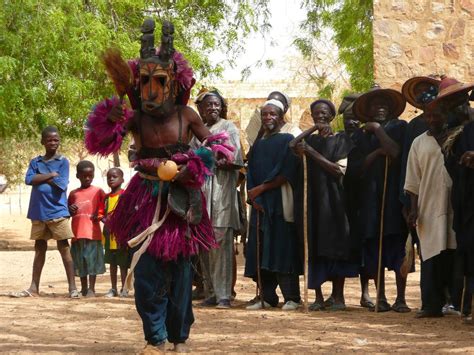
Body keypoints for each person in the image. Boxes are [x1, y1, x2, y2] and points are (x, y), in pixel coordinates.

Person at [84, 19, 232, 353]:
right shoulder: (136, 117)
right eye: (146, 80)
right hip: (144, 200)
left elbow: (217, 147)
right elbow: (102, 139)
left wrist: (194, 166)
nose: (151, 89)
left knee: (180, 273)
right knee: (148, 271)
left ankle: (179, 337)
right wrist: (118, 105)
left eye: (160, 81)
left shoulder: (187, 115)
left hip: (182, 202)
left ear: (173, 83)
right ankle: (155, 338)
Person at [290, 99, 360, 311]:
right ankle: (318, 297)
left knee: (336, 245)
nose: (320, 116)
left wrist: (311, 153)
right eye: (316, 114)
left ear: (331, 116)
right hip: (311, 201)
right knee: (313, 245)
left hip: (334, 202)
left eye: (324, 113)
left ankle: (338, 297)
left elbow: (337, 170)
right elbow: (291, 145)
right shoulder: (308, 140)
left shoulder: (341, 140)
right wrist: (312, 130)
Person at [352, 87, 410, 313]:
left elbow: (395, 153)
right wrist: (376, 152)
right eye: (375, 105)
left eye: (384, 104)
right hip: (370, 200)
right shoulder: (360, 135)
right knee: (375, 249)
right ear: (368, 110)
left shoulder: (400, 127)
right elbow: (356, 169)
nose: (380, 108)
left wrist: (378, 130)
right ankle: (381, 297)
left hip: (394, 198)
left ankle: (401, 298)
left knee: (398, 248)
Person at [244, 99, 302, 311]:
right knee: (261, 249)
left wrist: (261, 190)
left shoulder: (287, 140)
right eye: (265, 114)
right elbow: (251, 173)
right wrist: (254, 197)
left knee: (281, 248)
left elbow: (285, 173)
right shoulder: (258, 143)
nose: (268, 118)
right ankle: (267, 297)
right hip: (260, 205)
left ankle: (292, 297)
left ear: (281, 116)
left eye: (272, 114)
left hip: (279, 202)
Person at [10, 126, 79, 298]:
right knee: (39, 248)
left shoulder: (63, 162)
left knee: (64, 247)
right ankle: (34, 288)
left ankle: (72, 288)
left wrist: (39, 177)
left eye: (56, 140)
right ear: (43, 142)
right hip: (38, 211)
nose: (53, 142)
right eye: (50, 140)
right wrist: (50, 175)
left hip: (57, 211)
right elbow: (28, 180)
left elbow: (61, 184)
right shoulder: (35, 161)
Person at [404, 102, 458, 318]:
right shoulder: (419, 142)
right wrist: (413, 210)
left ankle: (455, 303)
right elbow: (413, 180)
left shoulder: (457, 137)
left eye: (437, 115)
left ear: (446, 115)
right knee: (430, 256)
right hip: (428, 207)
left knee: (453, 255)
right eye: (429, 116)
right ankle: (431, 305)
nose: (433, 119)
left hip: (455, 207)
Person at [191, 90, 243, 309]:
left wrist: (219, 159)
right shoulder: (195, 133)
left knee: (220, 243)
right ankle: (210, 292)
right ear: (200, 108)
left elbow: (235, 159)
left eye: (216, 105)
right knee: (203, 243)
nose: (212, 108)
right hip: (201, 193)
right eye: (208, 105)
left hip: (221, 193)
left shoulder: (228, 127)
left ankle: (224, 295)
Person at [338, 93, 375, 309]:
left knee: (364, 245)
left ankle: (366, 292)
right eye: (346, 118)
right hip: (342, 199)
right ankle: (339, 295)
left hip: (364, 197)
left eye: (354, 118)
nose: (350, 122)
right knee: (343, 246)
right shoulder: (338, 138)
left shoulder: (366, 138)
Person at [68, 160, 106, 297]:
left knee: (92, 262)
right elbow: (68, 212)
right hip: (77, 234)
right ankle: (83, 288)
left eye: (90, 175)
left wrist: (101, 214)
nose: (87, 178)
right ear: (77, 176)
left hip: (93, 233)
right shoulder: (73, 194)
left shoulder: (98, 191)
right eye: (84, 176)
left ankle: (92, 289)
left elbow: (105, 207)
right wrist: (70, 210)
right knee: (80, 262)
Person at [102, 167, 129, 298]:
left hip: (120, 235)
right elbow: (102, 214)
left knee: (123, 264)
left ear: (122, 179)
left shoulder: (125, 196)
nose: (111, 179)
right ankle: (113, 288)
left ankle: (124, 288)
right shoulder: (106, 198)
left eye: (114, 176)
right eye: (109, 177)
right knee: (112, 263)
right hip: (108, 235)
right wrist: (102, 219)